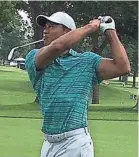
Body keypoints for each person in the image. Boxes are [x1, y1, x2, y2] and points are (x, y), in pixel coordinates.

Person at [25, 12, 130, 157]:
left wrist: (110, 31)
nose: (45, 30)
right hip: (48, 143)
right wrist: (90, 27)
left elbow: (122, 67)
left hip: (75, 142)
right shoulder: (34, 57)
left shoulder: (88, 61)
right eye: (45, 27)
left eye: (52, 26)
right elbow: (58, 46)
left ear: (68, 31)